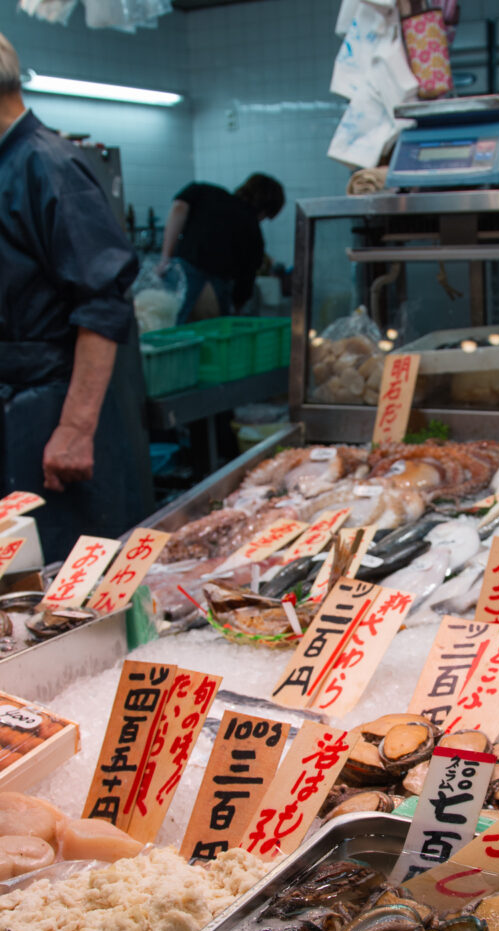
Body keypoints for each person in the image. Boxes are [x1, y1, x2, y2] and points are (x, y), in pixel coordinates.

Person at [0, 32, 153, 561]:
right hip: (20, 410)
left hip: (55, 417)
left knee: (74, 585)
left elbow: (103, 302)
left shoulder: (48, 166)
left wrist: (74, 428)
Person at [158, 175, 285, 323]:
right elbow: (245, 280)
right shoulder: (253, 229)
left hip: (180, 277)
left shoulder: (205, 191)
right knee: (211, 338)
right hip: (215, 291)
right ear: (265, 210)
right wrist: (238, 309)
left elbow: (179, 208)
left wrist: (165, 258)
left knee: (167, 329)